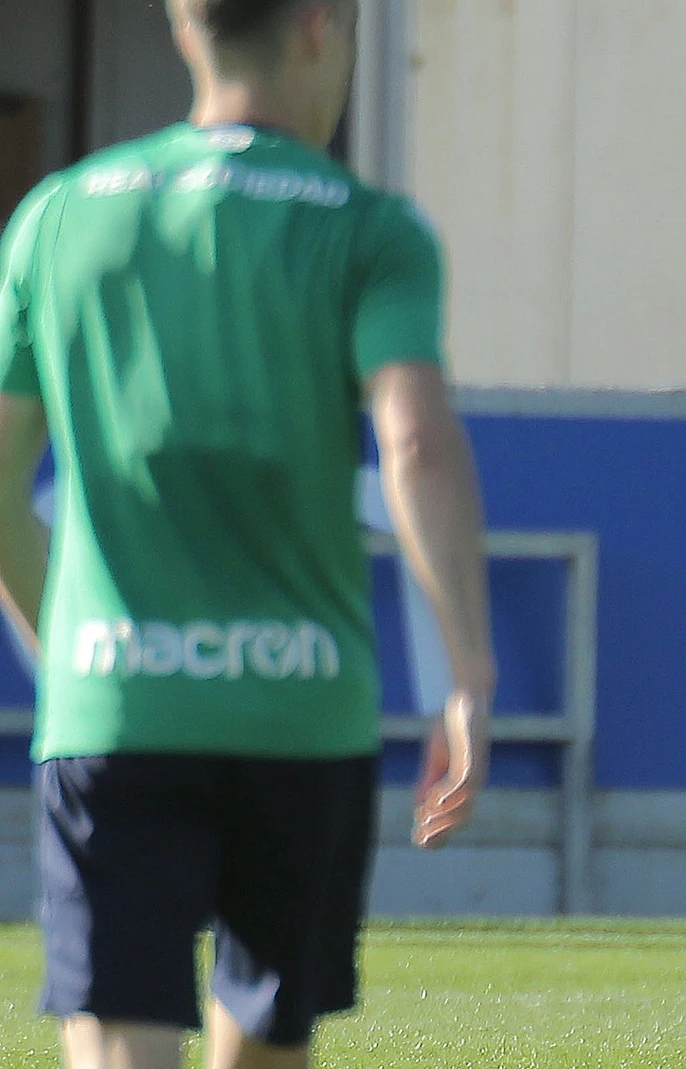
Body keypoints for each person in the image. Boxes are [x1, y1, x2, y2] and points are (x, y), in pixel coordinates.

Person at [0, 1, 496, 1066]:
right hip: (300, 710)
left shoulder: (58, 215)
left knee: (121, 1038)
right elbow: (415, 447)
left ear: (185, 28)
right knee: (266, 1038)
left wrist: (70, 650)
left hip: (115, 699)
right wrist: (466, 672)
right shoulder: (367, 226)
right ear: (320, 27)